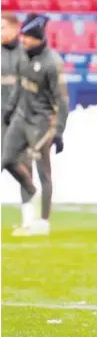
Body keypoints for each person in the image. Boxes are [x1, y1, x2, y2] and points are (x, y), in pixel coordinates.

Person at [2, 13, 69, 236]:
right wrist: (10, 112)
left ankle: (43, 221)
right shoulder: (24, 58)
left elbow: (61, 99)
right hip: (21, 117)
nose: (23, 40)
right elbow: (20, 87)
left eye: (27, 36)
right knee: (7, 159)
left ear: (37, 37)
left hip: (41, 122)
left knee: (43, 171)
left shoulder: (52, 63)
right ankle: (30, 189)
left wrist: (59, 131)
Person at [1, 12, 35, 228]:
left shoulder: (28, 54)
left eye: (3, 27)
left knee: (24, 164)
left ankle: (29, 219)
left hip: (21, 118)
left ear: (15, 28)